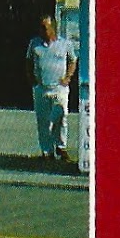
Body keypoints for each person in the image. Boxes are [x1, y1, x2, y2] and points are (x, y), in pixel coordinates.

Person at [27, 14, 78, 161]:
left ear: (53, 28)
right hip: (42, 88)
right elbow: (28, 62)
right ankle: (47, 151)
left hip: (59, 88)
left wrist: (68, 77)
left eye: (45, 28)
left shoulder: (65, 44)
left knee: (61, 117)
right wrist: (32, 80)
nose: (42, 31)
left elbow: (72, 60)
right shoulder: (34, 44)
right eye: (41, 28)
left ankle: (61, 147)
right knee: (43, 120)